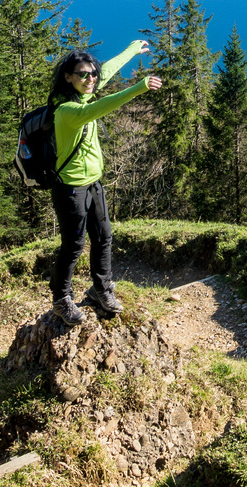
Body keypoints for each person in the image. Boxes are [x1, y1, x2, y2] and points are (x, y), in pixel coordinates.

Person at [45, 39, 161, 325]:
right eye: (82, 74)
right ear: (68, 77)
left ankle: (101, 289)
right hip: (70, 188)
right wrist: (139, 87)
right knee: (73, 245)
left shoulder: (84, 94)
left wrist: (131, 50)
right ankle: (61, 298)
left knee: (104, 237)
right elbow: (104, 106)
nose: (90, 79)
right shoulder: (67, 111)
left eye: (91, 74)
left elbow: (105, 72)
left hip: (93, 183)